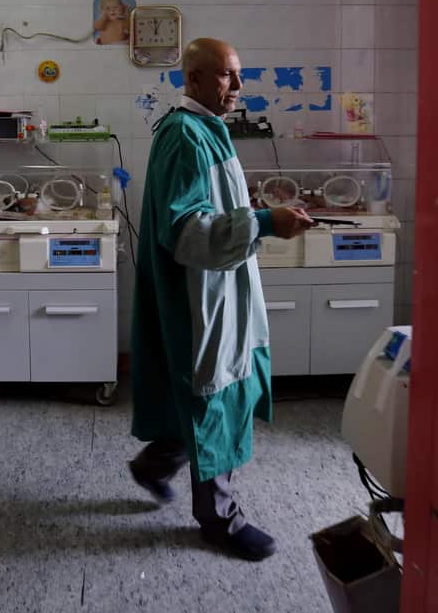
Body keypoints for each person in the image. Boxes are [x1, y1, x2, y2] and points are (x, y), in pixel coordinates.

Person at [127, 38, 313, 561]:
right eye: (227, 76)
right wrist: (263, 223)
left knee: (212, 391)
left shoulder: (207, 130)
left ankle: (155, 464)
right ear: (193, 79)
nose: (238, 86)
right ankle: (219, 521)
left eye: (238, 75)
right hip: (198, 295)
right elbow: (187, 229)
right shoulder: (185, 135)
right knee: (215, 396)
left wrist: (255, 213)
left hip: (217, 284)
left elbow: (208, 207)